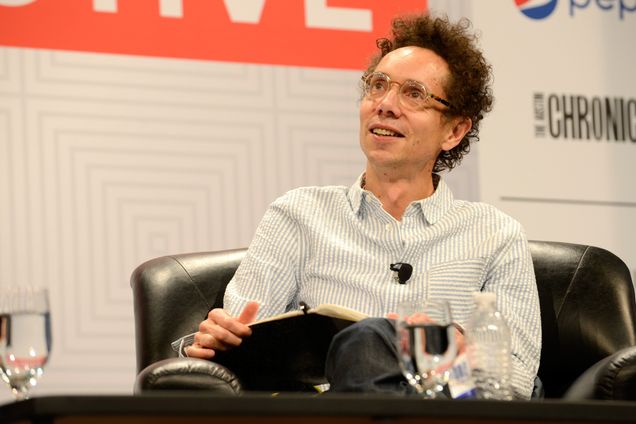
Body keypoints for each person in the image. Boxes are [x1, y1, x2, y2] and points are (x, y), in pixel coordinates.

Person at [179, 13, 541, 399]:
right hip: (324, 410)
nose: (385, 104)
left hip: (445, 414)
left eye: (414, 93)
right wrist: (208, 340)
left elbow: (515, 381)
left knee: (371, 340)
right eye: (378, 85)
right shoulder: (299, 215)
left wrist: (440, 348)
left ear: (453, 131)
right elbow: (241, 340)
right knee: (365, 343)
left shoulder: (495, 235)